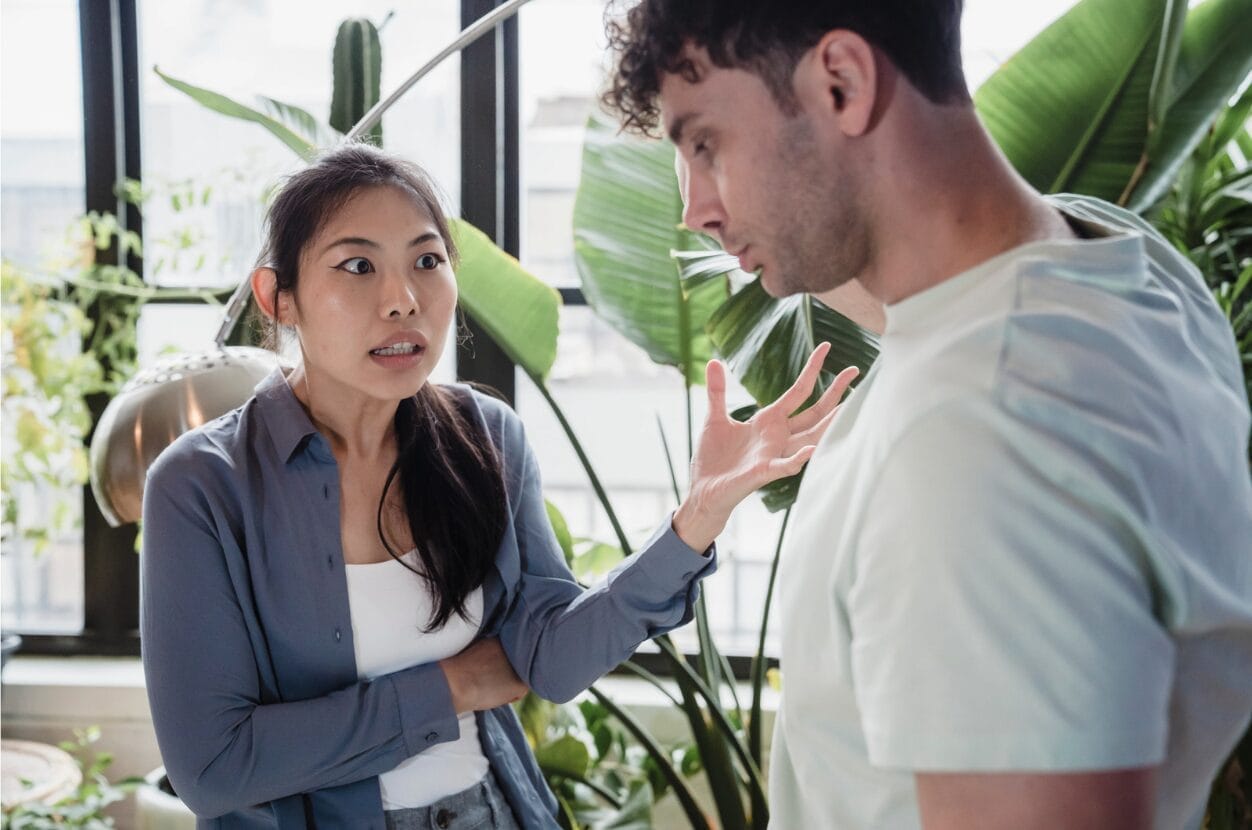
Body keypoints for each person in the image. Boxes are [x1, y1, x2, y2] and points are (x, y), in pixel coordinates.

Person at [604, 2, 1252, 829]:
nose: (694, 208)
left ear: (841, 82)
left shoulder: (975, 438)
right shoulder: (1121, 263)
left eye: (705, 144)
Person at [139, 142, 856, 829]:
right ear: (278, 297)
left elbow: (550, 658)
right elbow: (216, 767)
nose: (402, 300)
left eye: (427, 261)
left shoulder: (486, 436)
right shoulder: (202, 487)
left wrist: (697, 517)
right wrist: (450, 686)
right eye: (357, 266)